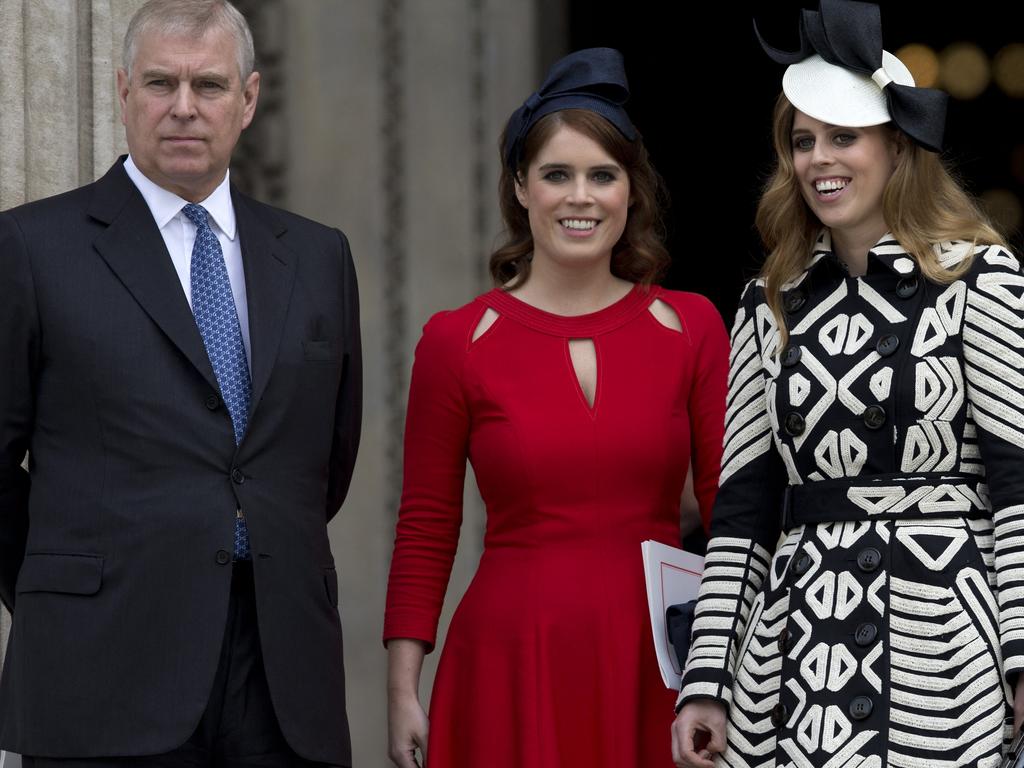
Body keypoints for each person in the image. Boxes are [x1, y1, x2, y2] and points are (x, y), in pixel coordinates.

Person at [0, 1, 361, 765]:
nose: (185, 108)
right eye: (162, 83)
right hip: (101, 666)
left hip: (279, 675)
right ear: (124, 92)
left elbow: (321, 462)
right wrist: (67, 584)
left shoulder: (320, 257)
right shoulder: (31, 248)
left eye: (210, 86)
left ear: (250, 99)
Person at [672, 1, 1021, 766]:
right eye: (803, 141)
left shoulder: (979, 277)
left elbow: (1017, 483)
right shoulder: (770, 301)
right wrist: (706, 680)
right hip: (793, 662)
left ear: (898, 148)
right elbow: (742, 512)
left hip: (941, 659)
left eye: (843, 137)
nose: (819, 159)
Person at [382, 47, 729, 768]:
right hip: (507, 660)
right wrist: (403, 686)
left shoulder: (692, 326)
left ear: (631, 191)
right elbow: (425, 524)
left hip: (656, 661)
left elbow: (731, 513)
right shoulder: (457, 341)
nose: (581, 196)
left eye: (603, 175)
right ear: (521, 186)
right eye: (557, 175)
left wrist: (731, 667)